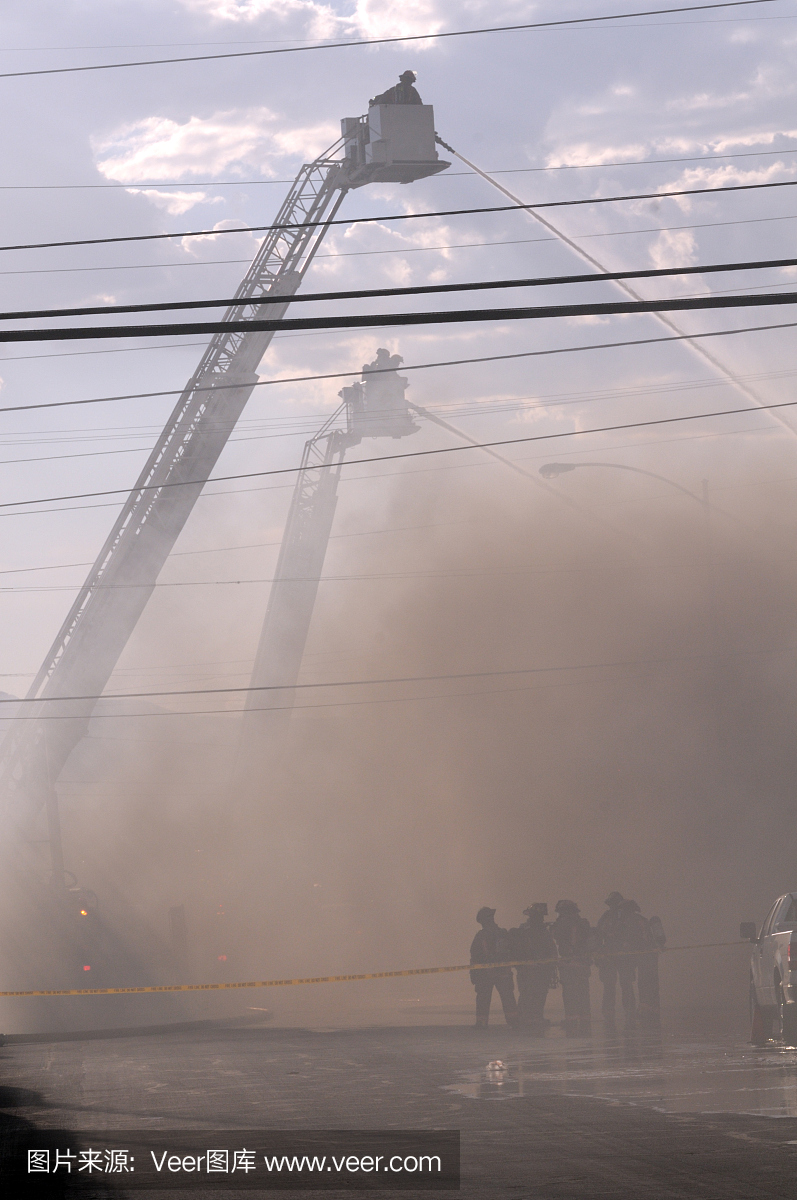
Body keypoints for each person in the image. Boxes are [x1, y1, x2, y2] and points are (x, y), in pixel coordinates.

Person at [509, 903, 557, 1027]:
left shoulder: (543, 931)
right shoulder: (524, 931)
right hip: (528, 969)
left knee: (540, 994)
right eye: (538, 916)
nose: (541, 919)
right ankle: (524, 1018)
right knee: (527, 994)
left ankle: (537, 1017)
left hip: (542, 969)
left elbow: (550, 948)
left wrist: (551, 963)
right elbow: (519, 950)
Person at [469, 907, 517, 1028]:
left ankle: (482, 1022)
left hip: (485, 974)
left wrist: (474, 973)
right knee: (507, 997)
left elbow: (474, 955)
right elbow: (513, 949)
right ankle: (514, 1022)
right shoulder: (503, 933)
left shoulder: (481, 936)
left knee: (483, 998)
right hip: (503, 972)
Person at [595, 891, 637, 1024]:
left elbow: (631, 934)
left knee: (625, 984)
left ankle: (629, 1011)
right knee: (610, 985)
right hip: (609, 956)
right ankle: (609, 1012)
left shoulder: (627, 917)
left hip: (623, 956)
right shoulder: (606, 917)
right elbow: (598, 935)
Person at [550, 900, 592, 1029]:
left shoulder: (562, 923)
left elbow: (555, 935)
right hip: (584, 962)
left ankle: (572, 1019)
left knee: (570, 992)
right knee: (583, 991)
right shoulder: (583, 923)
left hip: (569, 963)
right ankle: (585, 1018)